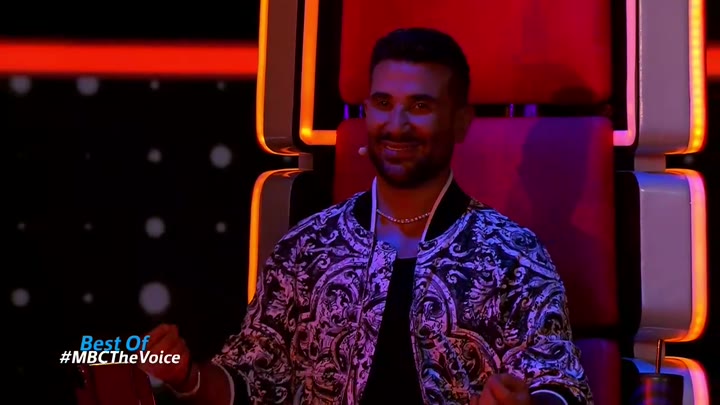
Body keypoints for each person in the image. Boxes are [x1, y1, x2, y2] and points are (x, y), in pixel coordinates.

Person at [139, 28, 593, 405]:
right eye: (383, 103)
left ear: (460, 122)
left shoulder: (512, 254)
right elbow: (252, 383)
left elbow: (562, 385)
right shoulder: (307, 248)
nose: (396, 125)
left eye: (420, 105)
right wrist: (188, 378)